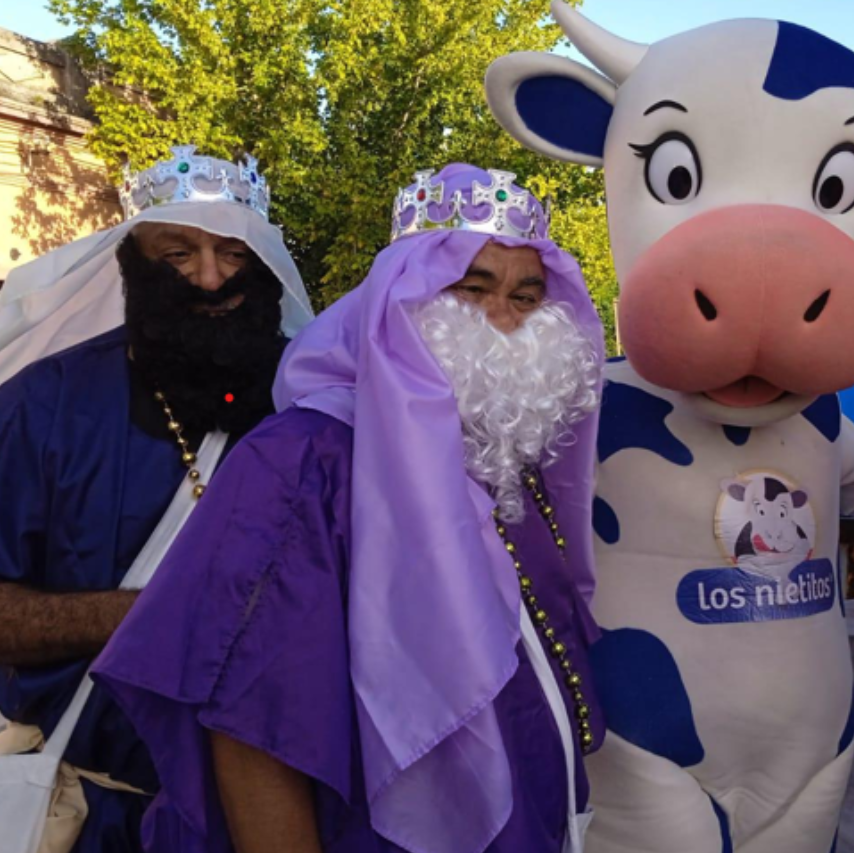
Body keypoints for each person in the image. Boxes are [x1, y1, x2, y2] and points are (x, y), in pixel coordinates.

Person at [92, 164, 607, 853]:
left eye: (525, 296)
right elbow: (251, 724)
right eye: (471, 289)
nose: (502, 323)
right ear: (401, 300)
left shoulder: (496, 454)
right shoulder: (304, 457)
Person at [0, 146, 313, 853]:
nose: (210, 278)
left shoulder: (315, 404)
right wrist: (145, 618)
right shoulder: (51, 403)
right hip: (101, 817)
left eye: (234, 255)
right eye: (177, 254)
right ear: (133, 266)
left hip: (280, 817)